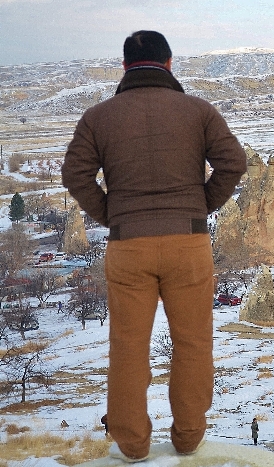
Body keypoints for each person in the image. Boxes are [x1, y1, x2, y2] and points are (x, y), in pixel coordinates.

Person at [62, 31, 246, 462]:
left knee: (127, 346)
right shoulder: (198, 110)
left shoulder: (98, 117)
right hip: (189, 244)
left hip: (129, 247)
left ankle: (132, 446)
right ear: (168, 63)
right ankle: (187, 439)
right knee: (194, 342)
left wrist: (112, 214)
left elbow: (75, 175)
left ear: (125, 66)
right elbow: (233, 162)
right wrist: (201, 206)